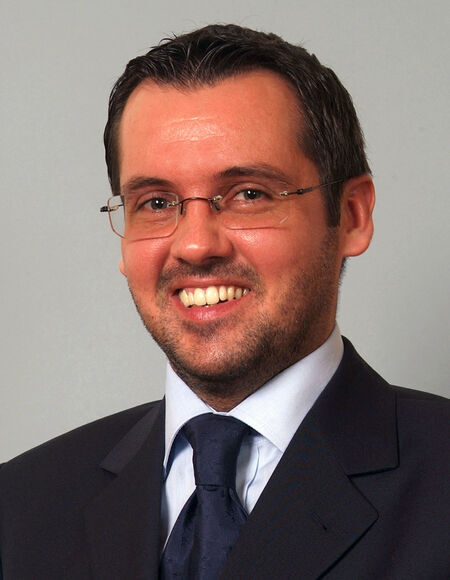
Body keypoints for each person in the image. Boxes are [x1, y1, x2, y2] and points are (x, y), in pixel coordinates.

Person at [0, 24, 448, 580]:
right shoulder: (20, 509)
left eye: (248, 195)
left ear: (352, 215)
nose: (195, 245)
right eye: (156, 202)